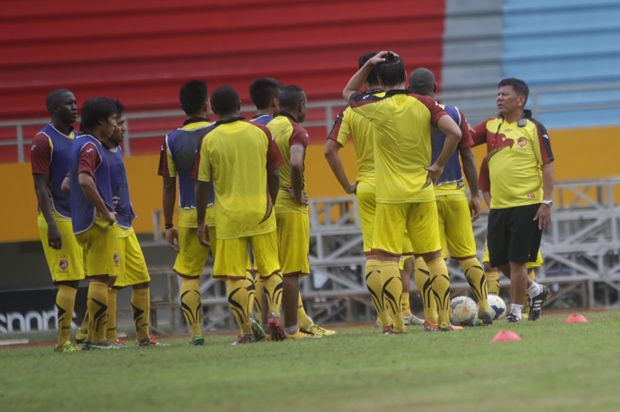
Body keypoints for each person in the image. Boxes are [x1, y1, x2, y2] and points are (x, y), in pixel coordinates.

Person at [343, 51, 462, 332]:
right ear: (406, 77)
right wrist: (438, 165)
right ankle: (443, 321)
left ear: (380, 80)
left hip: (390, 196)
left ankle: (396, 324)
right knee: (433, 257)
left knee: (386, 258)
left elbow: (348, 91)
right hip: (422, 192)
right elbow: (454, 133)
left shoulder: (374, 106)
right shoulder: (425, 103)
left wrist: (368, 66)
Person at [325, 52, 422, 329]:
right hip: (400, 185)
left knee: (375, 255)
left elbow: (330, 150)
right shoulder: (404, 103)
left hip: (367, 186)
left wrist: (346, 185)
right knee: (403, 255)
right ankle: (403, 311)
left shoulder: (353, 108)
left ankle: (383, 317)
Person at [194, 86, 286, 344]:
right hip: (260, 210)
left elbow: (201, 184)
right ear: (239, 104)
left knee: (236, 274)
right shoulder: (260, 132)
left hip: (228, 217)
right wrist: (271, 203)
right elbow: (276, 173)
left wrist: (202, 221)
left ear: (212, 108)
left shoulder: (209, 139)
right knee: (270, 268)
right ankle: (275, 314)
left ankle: (246, 331)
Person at [408, 68, 494, 328]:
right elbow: (468, 156)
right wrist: (475, 194)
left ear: (410, 89)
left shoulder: (406, 115)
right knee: (468, 255)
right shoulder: (454, 113)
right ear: (435, 85)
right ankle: (484, 307)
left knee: (428, 258)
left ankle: (433, 315)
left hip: (424, 195)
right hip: (455, 193)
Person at [470, 78, 553, 322]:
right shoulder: (490, 126)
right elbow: (464, 138)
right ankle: (536, 290)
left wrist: (546, 202)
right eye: (498, 94)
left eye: (505, 94)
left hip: (527, 205)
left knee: (518, 262)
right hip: (499, 206)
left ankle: (516, 312)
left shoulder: (533, 128)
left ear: (521, 100)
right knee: (498, 260)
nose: (499, 98)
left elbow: (548, 166)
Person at [268, 85, 336, 338]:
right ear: (300, 106)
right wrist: (297, 193)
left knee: (270, 271)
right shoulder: (297, 131)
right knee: (291, 271)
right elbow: (295, 162)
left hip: (268, 204)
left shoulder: (267, 128)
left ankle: (269, 325)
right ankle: (291, 328)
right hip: (289, 203)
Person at [158, 80, 215, 345]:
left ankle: (196, 334)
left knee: (189, 276)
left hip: (191, 216)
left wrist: (168, 223)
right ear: (206, 104)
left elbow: (169, 186)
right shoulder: (220, 131)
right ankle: (247, 328)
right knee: (239, 271)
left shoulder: (171, 140)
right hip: (224, 214)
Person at [104, 101, 163, 346]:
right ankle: (103, 336)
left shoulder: (116, 150)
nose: (124, 128)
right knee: (110, 283)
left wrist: (127, 206)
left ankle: (143, 337)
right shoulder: (94, 150)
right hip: (110, 226)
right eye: (119, 123)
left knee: (141, 279)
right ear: (105, 125)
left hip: (126, 223)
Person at [30, 89, 84, 352]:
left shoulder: (78, 138)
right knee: (69, 279)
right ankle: (63, 342)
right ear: (53, 108)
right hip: (57, 216)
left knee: (95, 275)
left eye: (75, 102)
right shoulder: (43, 140)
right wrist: (50, 222)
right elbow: (40, 186)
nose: (75, 107)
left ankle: (85, 334)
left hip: (78, 215)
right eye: (69, 104)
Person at [69, 97, 120, 349]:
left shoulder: (77, 143)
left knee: (104, 278)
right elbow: (83, 180)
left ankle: (95, 337)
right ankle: (97, 340)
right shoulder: (91, 146)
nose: (115, 125)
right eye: (112, 120)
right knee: (101, 279)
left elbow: (65, 184)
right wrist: (104, 210)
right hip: (96, 223)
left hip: (81, 221)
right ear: (101, 121)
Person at [478, 156, 544, 317]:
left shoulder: (527, 156)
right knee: (492, 262)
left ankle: (524, 310)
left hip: (523, 213)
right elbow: (484, 187)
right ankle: (535, 290)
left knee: (524, 264)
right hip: (500, 214)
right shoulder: (489, 159)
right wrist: (494, 206)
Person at [248, 77, 284, 327]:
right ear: (275, 101)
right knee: (282, 266)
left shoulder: (246, 128)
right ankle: (289, 320)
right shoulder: (281, 125)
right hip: (279, 201)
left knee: (256, 266)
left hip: (252, 203)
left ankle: (258, 319)